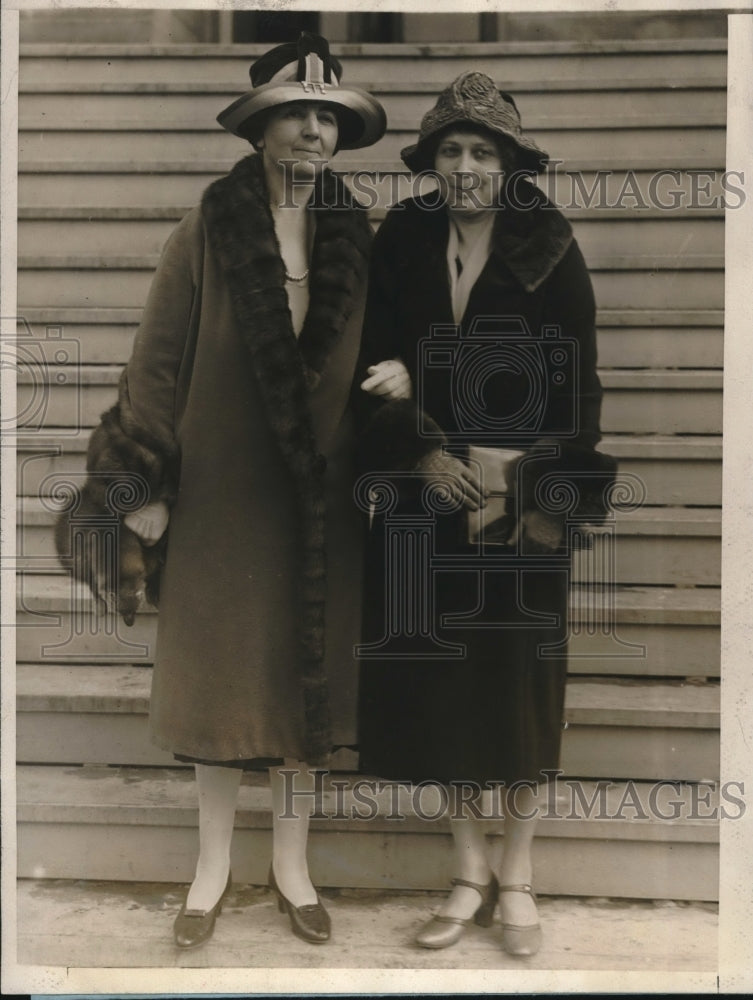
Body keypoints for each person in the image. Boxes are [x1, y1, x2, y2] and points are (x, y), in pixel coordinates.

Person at [60, 33, 386, 949]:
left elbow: (389, 349)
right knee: (218, 686)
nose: (313, 133)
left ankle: (292, 866)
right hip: (221, 490)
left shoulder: (357, 235)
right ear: (260, 132)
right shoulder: (206, 228)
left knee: (302, 687)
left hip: (322, 496)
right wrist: (142, 483)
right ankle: (209, 872)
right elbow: (156, 361)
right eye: (295, 117)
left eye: (327, 117)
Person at [355, 71, 615, 956]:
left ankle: (518, 879)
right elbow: (368, 359)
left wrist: (529, 485)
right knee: (443, 693)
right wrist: (420, 449)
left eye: (482, 151)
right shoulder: (403, 236)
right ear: (429, 163)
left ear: (509, 163)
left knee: (517, 692)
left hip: (522, 502)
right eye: (450, 152)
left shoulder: (547, 244)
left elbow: (572, 384)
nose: (464, 167)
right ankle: (465, 872)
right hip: (427, 499)